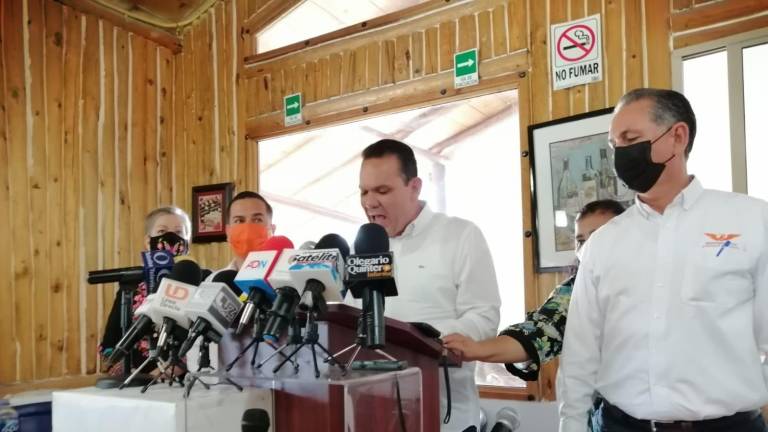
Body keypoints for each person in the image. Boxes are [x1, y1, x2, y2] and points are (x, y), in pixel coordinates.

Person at [559, 88, 768, 432]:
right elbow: (581, 352)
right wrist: (571, 424)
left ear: (678, 136)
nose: (621, 154)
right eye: (614, 145)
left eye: (631, 139)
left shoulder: (751, 220)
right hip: (623, 425)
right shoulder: (604, 243)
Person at [357, 139, 501, 432]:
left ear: (415, 187)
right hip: (372, 414)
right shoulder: (360, 248)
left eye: (382, 191)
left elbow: (484, 319)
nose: (370, 202)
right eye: (364, 191)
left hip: (446, 418)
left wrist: (420, 341)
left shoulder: (461, 235)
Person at [442, 199, 625, 382]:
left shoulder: (641, 280)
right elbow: (540, 330)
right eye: (581, 241)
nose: (588, 247)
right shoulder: (574, 291)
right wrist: (476, 348)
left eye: (597, 237)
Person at [99, 206, 192, 375]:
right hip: (134, 378)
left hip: (181, 378)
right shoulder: (132, 284)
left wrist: (164, 373)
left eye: (179, 232)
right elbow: (111, 339)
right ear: (148, 241)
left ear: (188, 241)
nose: (171, 238)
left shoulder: (196, 282)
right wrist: (124, 372)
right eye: (162, 231)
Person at [221, 191, 276, 271]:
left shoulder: (291, 276)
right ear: (228, 232)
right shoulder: (214, 278)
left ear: (272, 230)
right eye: (239, 221)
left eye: (257, 220)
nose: (248, 228)